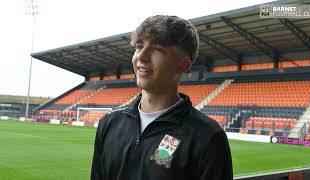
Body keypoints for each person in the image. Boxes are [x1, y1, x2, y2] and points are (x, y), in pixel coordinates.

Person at [91, 15, 233, 180]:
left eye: (157, 49)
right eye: (138, 46)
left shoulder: (207, 136)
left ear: (183, 65)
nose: (141, 57)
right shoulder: (109, 123)